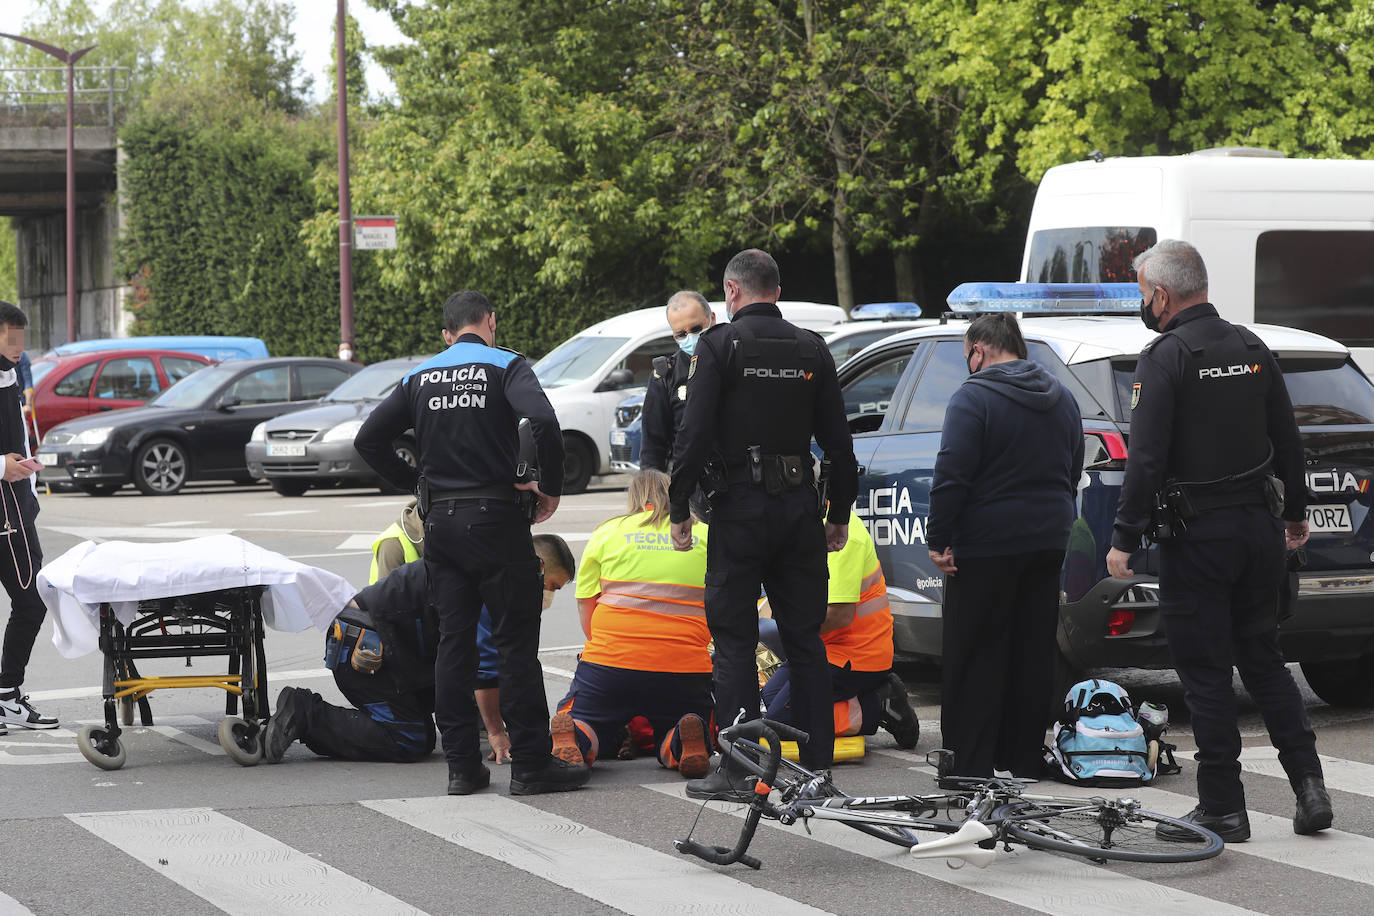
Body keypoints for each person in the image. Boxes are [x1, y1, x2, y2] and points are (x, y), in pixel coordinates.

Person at [1105, 239, 1330, 842]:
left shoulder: (1166, 357)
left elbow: (1146, 459)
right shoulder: (1251, 347)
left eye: (1142, 293)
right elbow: (1288, 439)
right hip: (1258, 533)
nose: (1142, 304)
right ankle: (1310, 788)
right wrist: (1296, 514)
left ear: (1161, 294)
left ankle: (1223, 807)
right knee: (1262, 659)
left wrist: (1123, 538)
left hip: (1199, 538)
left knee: (1204, 672)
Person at [354, 289, 588, 797]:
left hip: (441, 527)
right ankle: (530, 766)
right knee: (515, 647)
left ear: (446, 334)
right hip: (497, 521)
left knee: (453, 646)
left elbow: (368, 439)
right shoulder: (506, 365)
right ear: (491, 322)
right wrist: (549, 488)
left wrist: (416, 483)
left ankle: (463, 767)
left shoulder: (420, 376)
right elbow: (544, 422)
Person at [669, 248, 857, 798]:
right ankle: (819, 771)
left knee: (733, 639)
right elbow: (840, 445)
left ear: (731, 291)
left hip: (739, 512)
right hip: (799, 511)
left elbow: (693, 434)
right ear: (776, 289)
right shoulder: (811, 348)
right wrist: (839, 512)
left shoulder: (718, 346)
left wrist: (679, 506)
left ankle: (740, 767)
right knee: (805, 641)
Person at [926, 312, 1083, 781]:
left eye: (966, 355)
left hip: (988, 542)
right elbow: (1073, 466)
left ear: (979, 350)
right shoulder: (1063, 397)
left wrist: (940, 538)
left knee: (975, 652)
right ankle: (1021, 757)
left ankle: (969, 765)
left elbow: (952, 472)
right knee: (1032, 650)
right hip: (1049, 538)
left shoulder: (973, 397)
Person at [263, 534, 574, 764]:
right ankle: (306, 713)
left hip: (385, 645)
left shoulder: (482, 561)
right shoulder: (490, 584)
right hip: (364, 650)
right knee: (410, 739)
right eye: (551, 587)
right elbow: (485, 671)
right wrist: (496, 732)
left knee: (437, 706)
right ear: (539, 566)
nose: (547, 597)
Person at [551, 469, 714, 778]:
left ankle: (577, 737)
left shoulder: (607, 532)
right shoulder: (702, 534)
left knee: (586, 719)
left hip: (610, 664)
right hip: (684, 666)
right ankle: (682, 739)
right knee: (682, 721)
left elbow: (587, 608)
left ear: (634, 498)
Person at [759, 509, 919, 749]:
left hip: (858, 655)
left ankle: (877, 704)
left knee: (782, 722)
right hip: (824, 646)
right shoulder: (804, 523)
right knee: (772, 698)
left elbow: (840, 616)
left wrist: (789, 631)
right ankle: (868, 700)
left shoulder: (841, 536)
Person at [0, 302, 56, 734]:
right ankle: (5, 697)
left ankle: (6, 696)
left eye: (21, 337)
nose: (18, 346)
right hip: (6, 509)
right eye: (9, 336)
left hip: (19, 505)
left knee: (30, 600)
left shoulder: (11, 374)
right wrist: (4, 467)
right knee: (31, 600)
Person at [641, 290, 715, 473]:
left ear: (712, 319)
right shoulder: (666, 376)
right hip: (689, 485)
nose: (690, 338)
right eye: (681, 334)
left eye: (696, 329)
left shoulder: (735, 361)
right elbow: (653, 446)